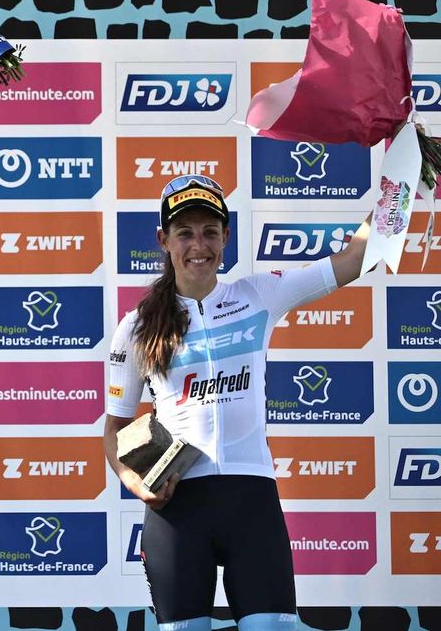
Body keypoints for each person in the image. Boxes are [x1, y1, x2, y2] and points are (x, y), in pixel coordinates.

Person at [103, 174, 369, 631]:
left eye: (209, 231)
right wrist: (132, 478)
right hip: (177, 510)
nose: (198, 245)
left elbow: (353, 260)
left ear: (226, 237)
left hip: (252, 501)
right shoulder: (138, 326)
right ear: (163, 240)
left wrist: (398, 182)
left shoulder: (258, 296)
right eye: (184, 232)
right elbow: (114, 428)